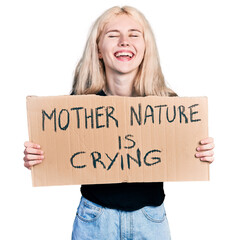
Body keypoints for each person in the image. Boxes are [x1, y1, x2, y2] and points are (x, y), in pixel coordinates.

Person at [23, 6, 215, 240]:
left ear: (146, 48)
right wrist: (38, 157)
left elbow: (183, 152)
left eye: (134, 34)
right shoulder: (77, 107)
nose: (124, 41)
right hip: (94, 219)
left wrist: (200, 151)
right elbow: (58, 154)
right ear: (99, 50)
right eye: (113, 35)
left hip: (150, 219)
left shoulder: (167, 105)